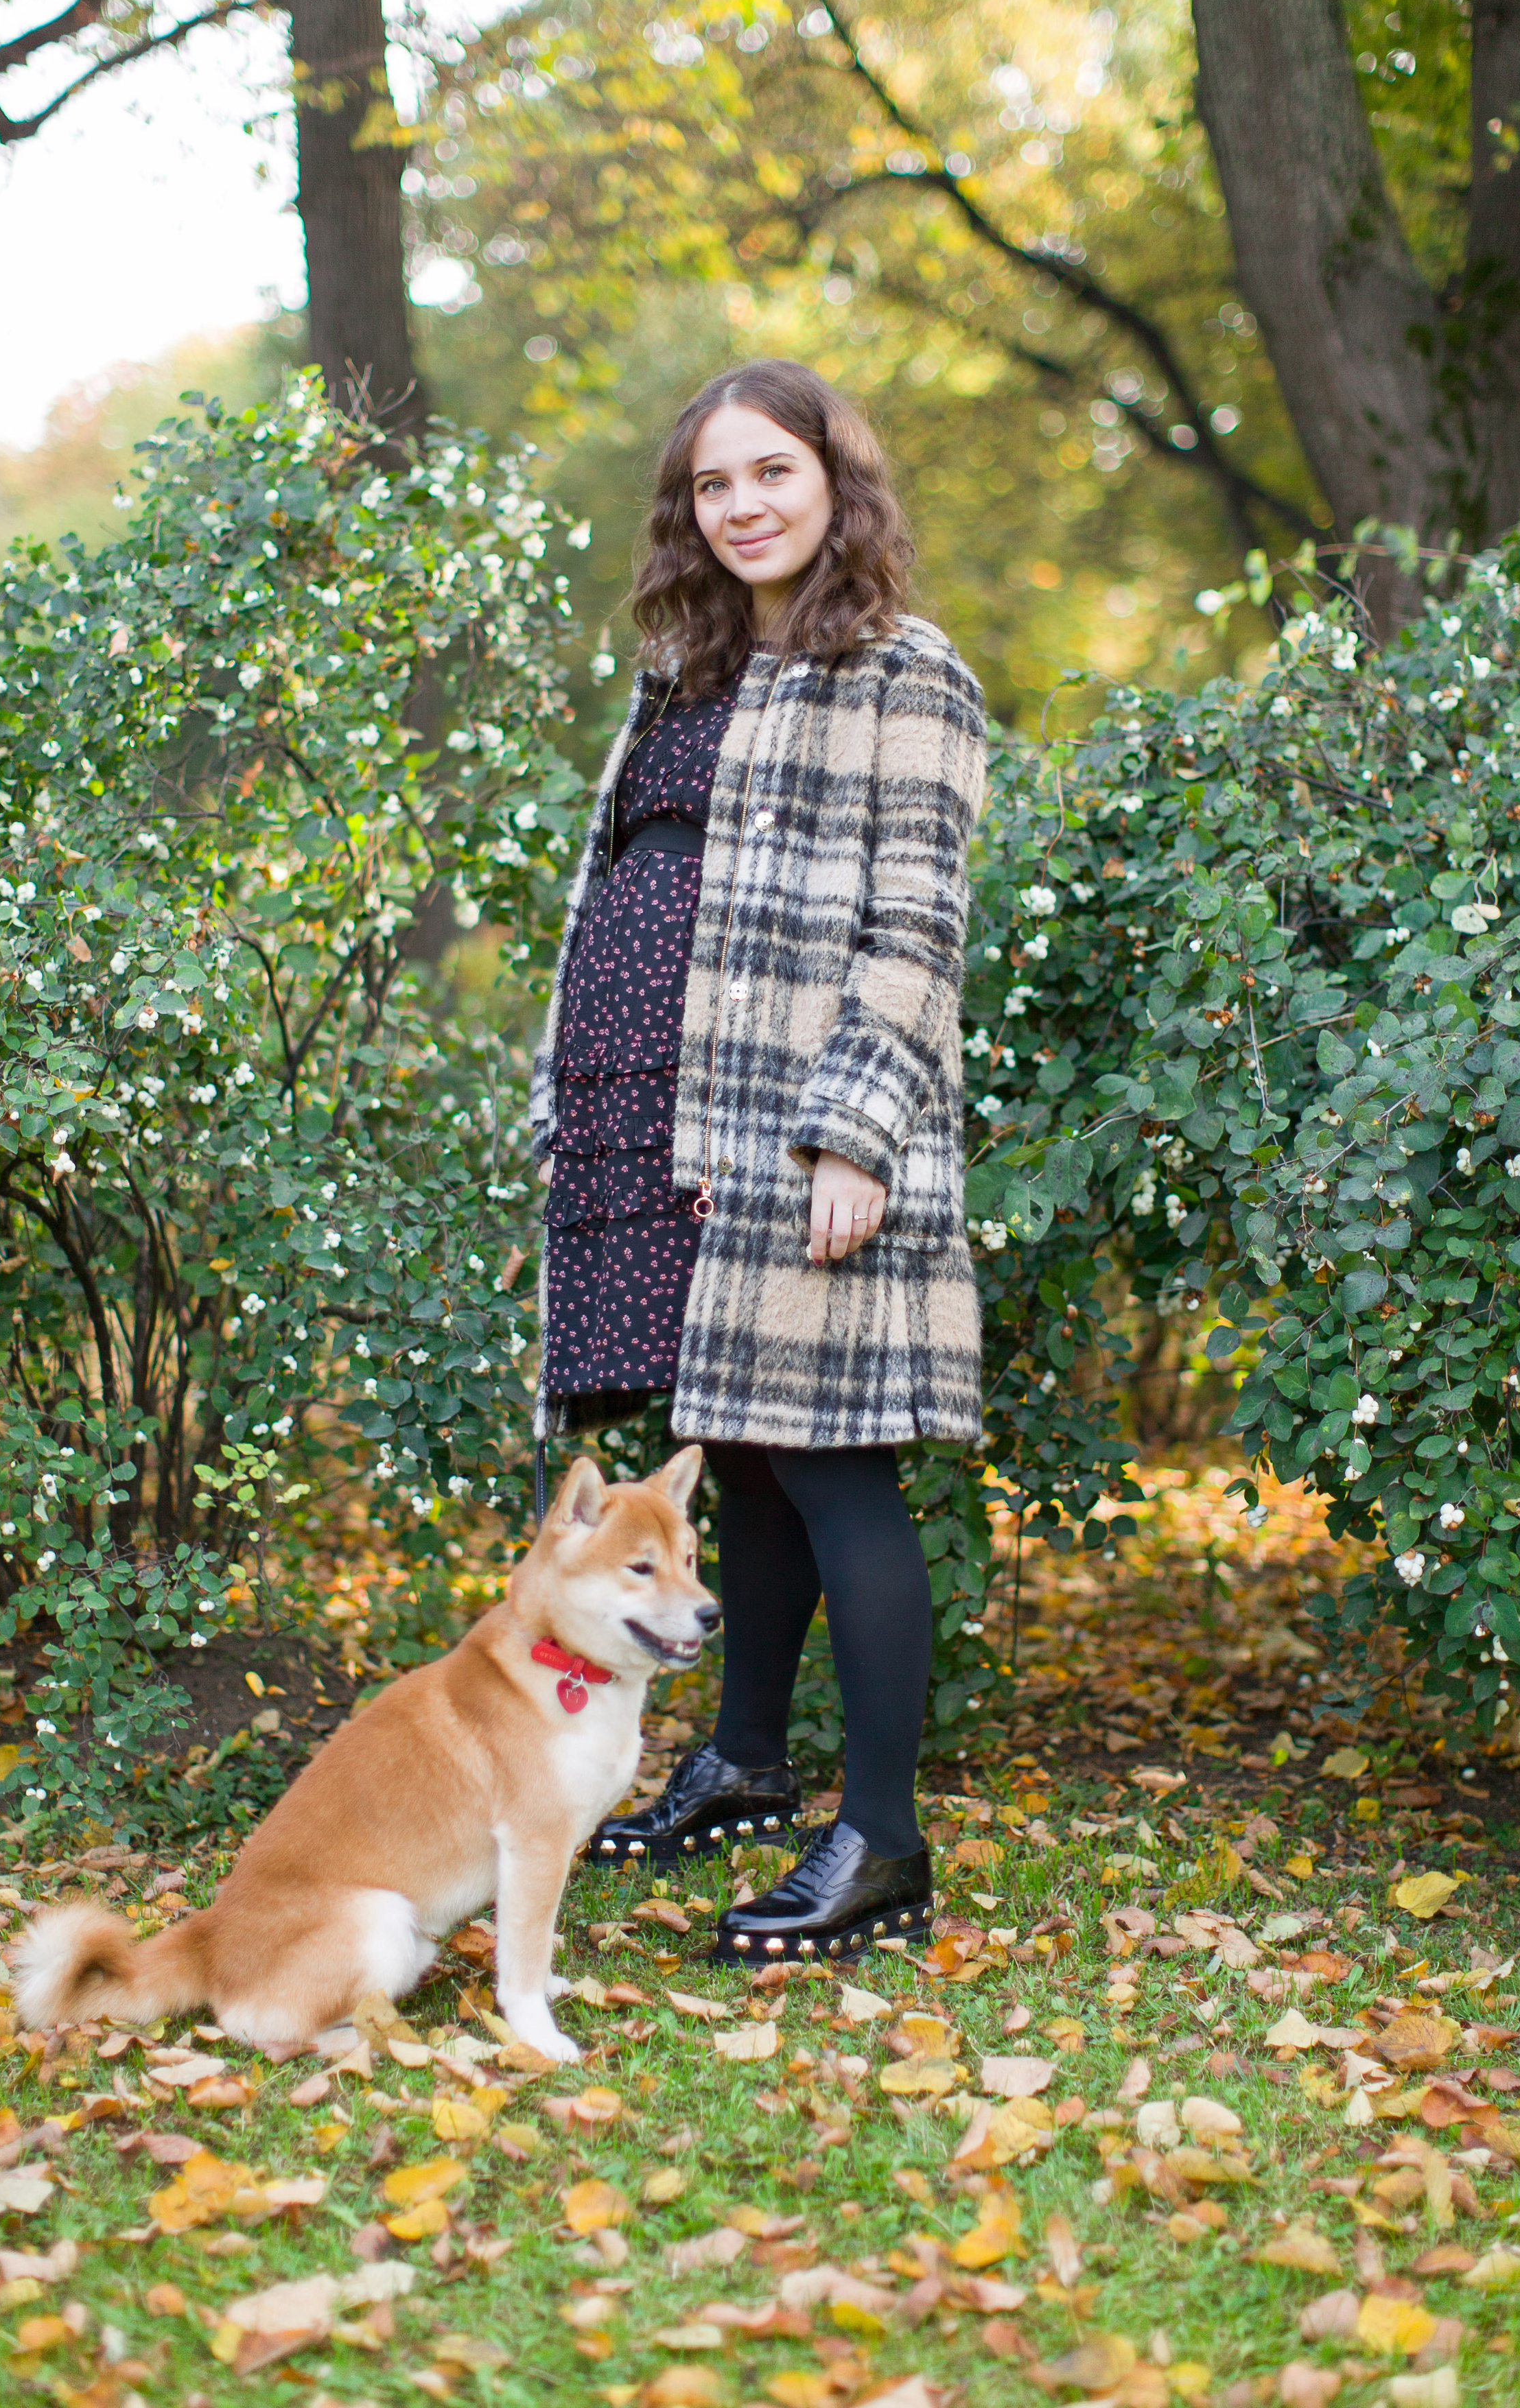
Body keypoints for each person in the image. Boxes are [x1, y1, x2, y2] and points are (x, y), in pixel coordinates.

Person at [528, 358, 986, 1963]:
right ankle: (738, 1760)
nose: (741, 506)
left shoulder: (901, 671)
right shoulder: (689, 675)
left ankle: (878, 1841)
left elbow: (913, 924)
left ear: (832, 480)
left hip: (797, 1121)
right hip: (660, 1113)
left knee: (831, 1461)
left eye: (768, 473)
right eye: (712, 485)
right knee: (733, 1435)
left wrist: (848, 1134)